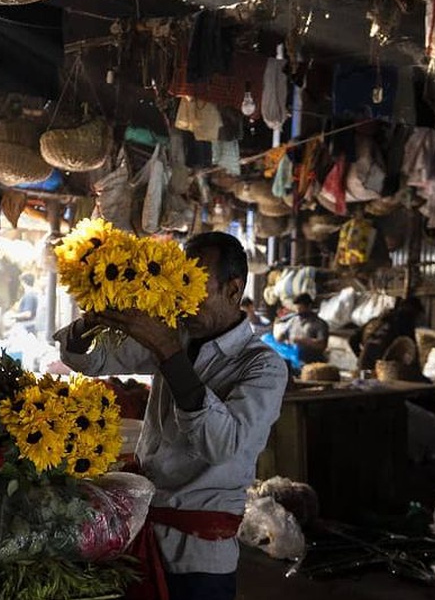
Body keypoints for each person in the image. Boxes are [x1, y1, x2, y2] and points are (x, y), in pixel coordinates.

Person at [54, 231, 288, 600]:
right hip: (140, 531)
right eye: (179, 282)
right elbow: (89, 358)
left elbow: (222, 445)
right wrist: (98, 317)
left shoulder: (263, 366)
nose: (183, 298)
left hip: (198, 553)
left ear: (233, 289)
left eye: (195, 284)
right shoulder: (178, 337)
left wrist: (165, 349)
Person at [354, 296, 425, 371]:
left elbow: (353, 339)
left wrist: (361, 356)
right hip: (383, 367)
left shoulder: (377, 320)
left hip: (364, 362)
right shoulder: (405, 321)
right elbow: (412, 348)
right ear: (413, 310)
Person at [276, 293, 329, 364]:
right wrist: (281, 336)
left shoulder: (320, 324)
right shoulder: (293, 320)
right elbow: (281, 336)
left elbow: (322, 345)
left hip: (311, 361)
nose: (298, 312)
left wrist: (305, 341)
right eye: (296, 309)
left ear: (309, 306)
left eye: (300, 309)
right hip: (293, 358)